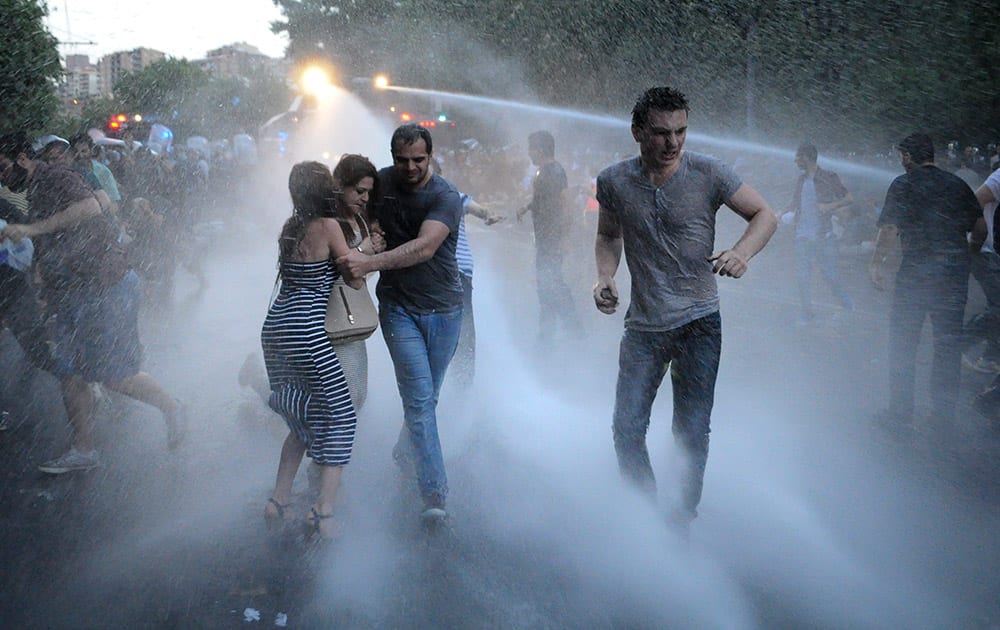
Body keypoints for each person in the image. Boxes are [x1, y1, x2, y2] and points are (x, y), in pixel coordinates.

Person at [593, 87, 777, 527]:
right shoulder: (614, 180)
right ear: (638, 132)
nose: (673, 143)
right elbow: (608, 236)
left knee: (691, 431)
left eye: (680, 131)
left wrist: (742, 253)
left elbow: (765, 215)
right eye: (660, 133)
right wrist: (604, 276)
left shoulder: (709, 172)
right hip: (644, 326)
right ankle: (642, 513)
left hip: (699, 323)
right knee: (626, 428)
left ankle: (680, 518)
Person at [0, 132, 185, 474]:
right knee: (70, 373)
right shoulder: (35, 188)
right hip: (70, 291)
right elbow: (55, 240)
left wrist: (32, 230)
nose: (1, 176)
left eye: (3, 167)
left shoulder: (54, 176)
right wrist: (44, 280)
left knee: (114, 376)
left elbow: (91, 207)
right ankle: (83, 449)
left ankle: (171, 406)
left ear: (23, 159)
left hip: (105, 285)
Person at [337, 124, 464, 526]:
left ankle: (404, 451)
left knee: (429, 398)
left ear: (430, 156)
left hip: (445, 310)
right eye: (402, 160)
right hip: (398, 309)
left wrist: (370, 262)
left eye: (418, 160)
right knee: (421, 402)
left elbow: (426, 247)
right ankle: (434, 493)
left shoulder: (444, 196)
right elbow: (349, 202)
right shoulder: (382, 183)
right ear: (392, 156)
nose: (410, 167)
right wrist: (366, 231)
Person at [260, 161, 363, 540]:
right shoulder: (328, 226)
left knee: (300, 419)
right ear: (326, 190)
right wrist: (368, 251)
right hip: (306, 330)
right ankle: (323, 512)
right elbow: (353, 277)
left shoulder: (291, 229)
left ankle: (278, 501)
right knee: (341, 414)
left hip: (276, 328)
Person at [869, 133, 981, 428]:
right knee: (947, 347)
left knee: (905, 343)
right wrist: (967, 255)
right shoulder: (957, 185)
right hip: (953, 278)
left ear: (907, 157)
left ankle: (900, 413)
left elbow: (890, 229)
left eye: (901, 157)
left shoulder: (903, 184)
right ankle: (942, 416)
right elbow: (980, 228)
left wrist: (876, 264)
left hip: (916, 275)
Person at [517, 130, 584, 344]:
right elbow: (545, 199)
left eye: (531, 148)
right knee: (546, 284)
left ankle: (573, 331)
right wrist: (527, 207)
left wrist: (564, 238)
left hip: (552, 239)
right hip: (545, 238)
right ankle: (547, 333)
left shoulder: (554, 171)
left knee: (553, 284)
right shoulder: (543, 171)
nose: (529, 153)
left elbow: (565, 204)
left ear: (541, 149)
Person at [784, 143, 855, 320]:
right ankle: (807, 314)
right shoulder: (801, 180)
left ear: (807, 157)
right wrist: (780, 213)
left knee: (830, 276)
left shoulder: (828, 177)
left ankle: (848, 306)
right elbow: (795, 203)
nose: (795, 161)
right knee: (802, 278)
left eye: (798, 157)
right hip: (803, 236)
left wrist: (830, 206)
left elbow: (848, 198)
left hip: (824, 237)